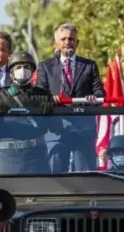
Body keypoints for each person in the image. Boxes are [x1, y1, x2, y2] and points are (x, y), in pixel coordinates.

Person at [36, 23, 106, 172]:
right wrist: (50, 98)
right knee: (55, 173)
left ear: (77, 43)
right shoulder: (45, 66)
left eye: (71, 39)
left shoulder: (89, 66)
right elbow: (39, 93)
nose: (68, 42)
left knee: (85, 173)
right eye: (63, 39)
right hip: (56, 128)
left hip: (83, 128)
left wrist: (92, 99)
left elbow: (100, 92)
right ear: (56, 43)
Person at [0, 51, 57, 175]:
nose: (23, 70)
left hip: (37, 155)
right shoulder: (0, 96)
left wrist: (52, 111)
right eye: (18, 67)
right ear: (11, 71)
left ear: (32, 71)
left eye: (27, 67)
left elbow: (54, 128)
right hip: (8, 157)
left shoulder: (43, 96)